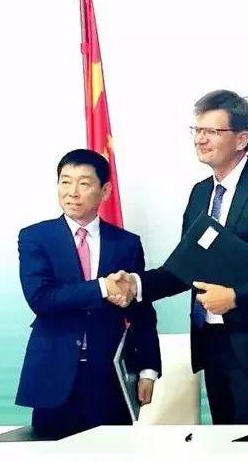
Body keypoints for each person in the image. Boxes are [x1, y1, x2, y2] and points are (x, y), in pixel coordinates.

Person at [108, 90, 248, 424]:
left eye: (212, 131)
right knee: (222, 444)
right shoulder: (200, 193)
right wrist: (136, 284)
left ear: (242, 139)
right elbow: (185, 268)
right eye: (197, 130)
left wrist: (235, 297)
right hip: (211, 343)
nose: (200, 139)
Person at [15, 149, 161, 438]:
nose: (72, 192)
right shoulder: (35, 237)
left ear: (105, 190)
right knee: (53, 454)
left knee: (111, 453)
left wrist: (148, 369)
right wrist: (102, 287)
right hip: (53, 373)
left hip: (108, 376)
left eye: (83, 183)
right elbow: (41, 298)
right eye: (65, 182)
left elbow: (142, 310)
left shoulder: (126, 243)